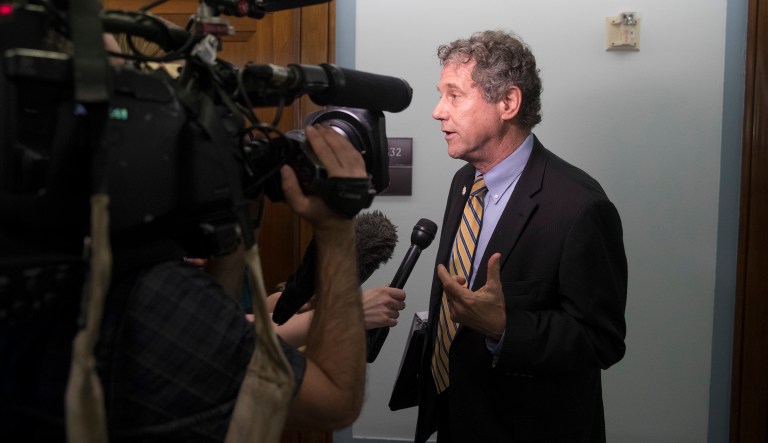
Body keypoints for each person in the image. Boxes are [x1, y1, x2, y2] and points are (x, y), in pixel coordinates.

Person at [1, 125, 369, 442]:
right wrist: (336, 228)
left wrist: (236, 237)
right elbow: (335, 402)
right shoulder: (148, 292)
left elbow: (214, 347)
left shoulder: (33, 263)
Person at [412, 30, 627, 442]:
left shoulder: (580, 206)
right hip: (455, 415)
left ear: (508, 102)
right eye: (441, 95)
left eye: (454, 95)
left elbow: (601, 340)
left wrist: (505, 327)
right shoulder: (464, 182)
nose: (439, 111)